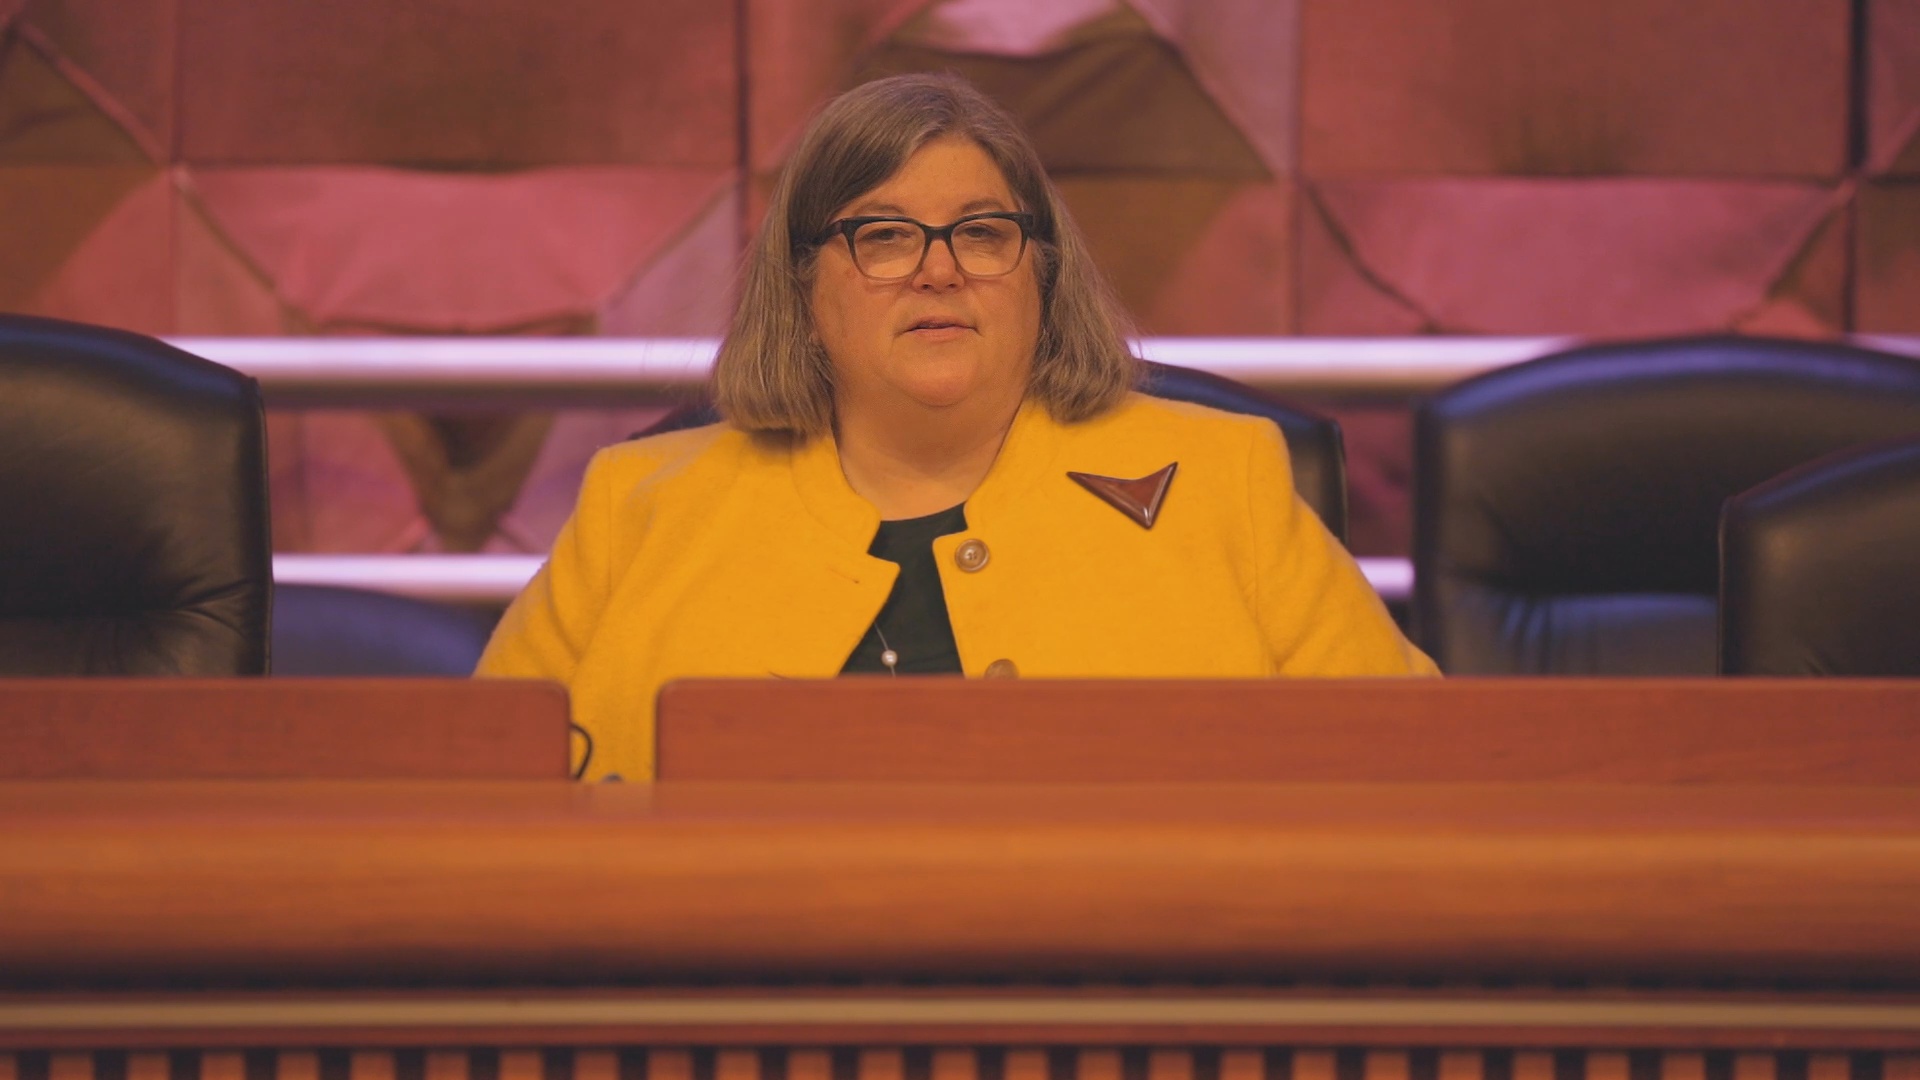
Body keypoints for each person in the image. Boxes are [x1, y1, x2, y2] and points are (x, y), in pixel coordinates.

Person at [477, 73, 1438, 780]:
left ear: (1041, 275)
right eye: (884, 236)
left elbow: (1420, 763)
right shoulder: (639, 506)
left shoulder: (1226, 476)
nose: (939, 271)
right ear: (804, 287)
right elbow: (478, 790)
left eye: (981, 233)